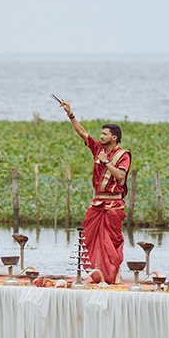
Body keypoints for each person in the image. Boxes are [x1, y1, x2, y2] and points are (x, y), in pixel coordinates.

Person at [58, 99, 131, 284]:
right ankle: (97, 275)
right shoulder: (98, 147)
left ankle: (114, 275)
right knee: (91, 240)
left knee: (110, 242)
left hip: (113, 204)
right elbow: (81, 132)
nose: (101, 136)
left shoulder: (123, 155)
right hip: (97, 203)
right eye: (101, 133)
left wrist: (106, 161)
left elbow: (120, 176)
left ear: (114, 137)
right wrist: (70, 113)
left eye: (105, 134)